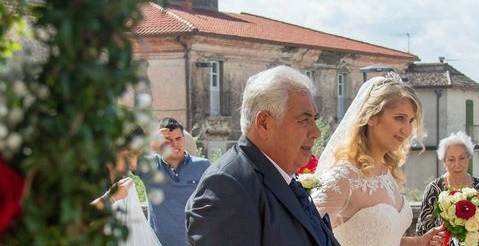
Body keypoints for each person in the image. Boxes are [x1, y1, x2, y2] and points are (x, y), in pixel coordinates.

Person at [185, 65, 340, 246]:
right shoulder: (227, 187)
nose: (316, 132)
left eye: (314, 119)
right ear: (264, 123)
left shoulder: (281, 176)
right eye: (304, 120)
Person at [312, 72, 445, 246]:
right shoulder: (342, 178)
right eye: (399, 118)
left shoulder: (387, 173)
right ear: (372, 117)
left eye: (410, 121)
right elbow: (304, 236)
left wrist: (419, 242)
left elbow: (383, 240)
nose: (406, 130)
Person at [136, 117, 210, 246]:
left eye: (178, 138)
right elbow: (123, 161)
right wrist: (150, 144)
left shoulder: (203, 166)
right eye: (169, 140)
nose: (175, 144)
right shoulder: (149, 166)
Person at [91, 127, 161, 246]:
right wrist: (110, 198)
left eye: (137, 157)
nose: (133, 165)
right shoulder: (90, 180)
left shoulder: (125, 186)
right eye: (129, 155)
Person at [416, 131, 479, 242]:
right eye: (451, 159)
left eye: (462, 158)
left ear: (468, 159)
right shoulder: (434, 188)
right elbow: (421, 230)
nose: (457, 164)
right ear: (444, 162)